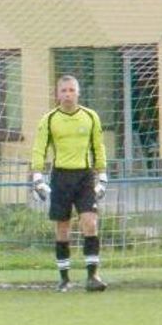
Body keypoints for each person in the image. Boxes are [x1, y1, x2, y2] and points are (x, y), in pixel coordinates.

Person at [30, 75, 109, 292]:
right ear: (57, 94)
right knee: (62, 228)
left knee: (90, 223)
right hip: (60, 177)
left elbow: (98, 147)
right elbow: (39, 148)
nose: (67, 94)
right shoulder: (49, 119)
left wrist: (102, 176)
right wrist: (37, 177)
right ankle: (64, 279)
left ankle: (93, 276)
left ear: (78, 92)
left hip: (84, 176)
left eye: (71, 90)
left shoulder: (91, 117)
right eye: (63, 90)